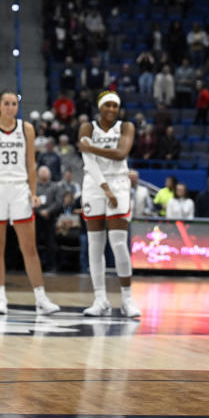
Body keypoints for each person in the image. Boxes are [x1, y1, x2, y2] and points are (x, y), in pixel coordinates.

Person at [0, 91, 60, 315]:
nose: (11, 107)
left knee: (29, 248)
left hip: (20, 188)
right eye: (7, 103)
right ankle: (0, 297)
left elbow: (31, 165)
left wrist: (33, 193)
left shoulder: (26, 129)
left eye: (14, 104)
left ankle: (41, 298)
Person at [78, 90, 141, 318]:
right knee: (95, 245)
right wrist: (104, 187)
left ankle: (127, 299)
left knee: (118, 243)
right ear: (100, 107)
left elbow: (121, 153)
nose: (112, 110)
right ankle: (100, 299)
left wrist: (91, 147)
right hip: (94, 185)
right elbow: (89, 162)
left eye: (115, 106)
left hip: (119, 184)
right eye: (108, 105)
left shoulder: (126, 127)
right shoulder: (87, 127)